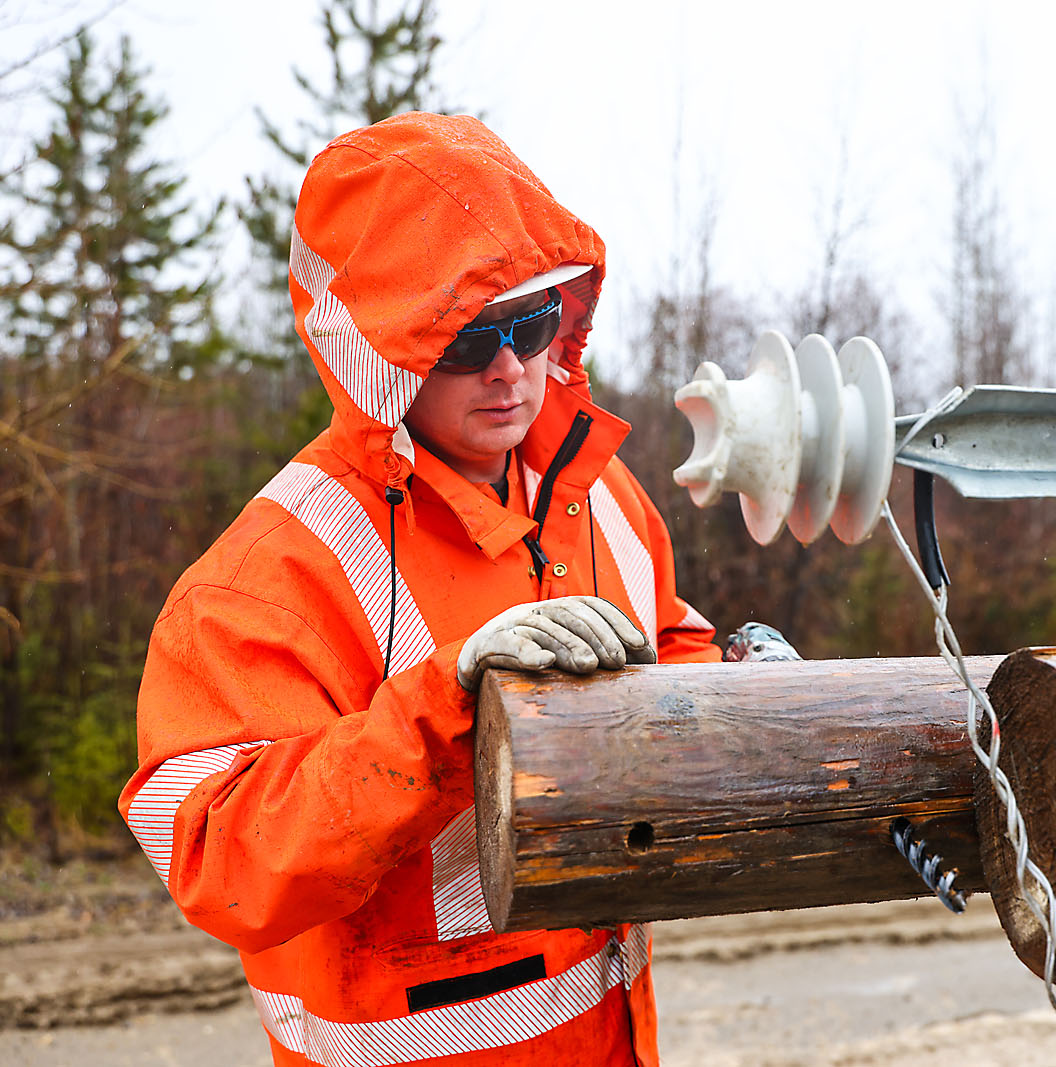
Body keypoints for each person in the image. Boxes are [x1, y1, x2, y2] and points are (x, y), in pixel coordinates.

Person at [118, 112, 720, 1066]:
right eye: (462, 340)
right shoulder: (269, 576)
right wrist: (443, 714)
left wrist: (746, 679)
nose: (509, 370)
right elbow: (219, 855)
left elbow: (668, 643)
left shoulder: (599, 491)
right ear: (381, 353)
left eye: (528, 323)